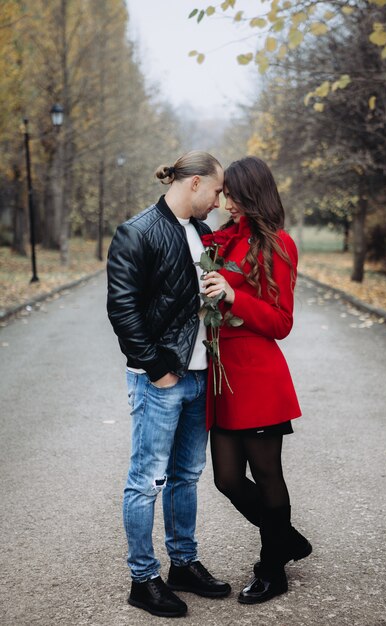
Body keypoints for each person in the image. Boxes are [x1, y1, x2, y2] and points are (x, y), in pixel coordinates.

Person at [107, 151, 231, 618]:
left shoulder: (203, 233)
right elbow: (123, 310)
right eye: (216, 190)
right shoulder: (137, 231)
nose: (219, 200)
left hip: (199, 376)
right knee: (146, 481)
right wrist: (157, 368)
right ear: (195, 183)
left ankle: (183, 563)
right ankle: (143, 579)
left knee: (186, 476)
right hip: (160, 380)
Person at [202, 156, 312, 605]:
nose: (225, 201)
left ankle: (272, 568)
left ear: (251, 193)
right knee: (226, 479)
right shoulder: (220, 243)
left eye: (231, 193)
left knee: (267, 474)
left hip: (259, 374)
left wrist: (234, 296)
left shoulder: (278, 244)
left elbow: (282, 322)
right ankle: (286, 539)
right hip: (222, 375)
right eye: (223, 193)